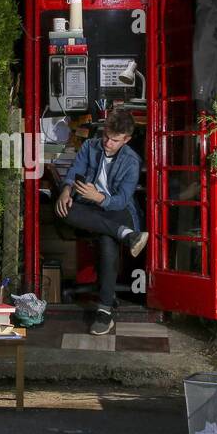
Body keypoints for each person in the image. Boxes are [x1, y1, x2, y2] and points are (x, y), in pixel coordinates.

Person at [54, 108, 148, 335]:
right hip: (90, 208)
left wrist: (99, 197)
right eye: (106, 135)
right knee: (64, 211)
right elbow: (75, 170)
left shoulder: (132, 161)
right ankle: (126, 235)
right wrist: (66, 190)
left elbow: (122, 200)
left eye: (114, 140)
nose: (107, 142)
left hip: (118, 210)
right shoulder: (90, 146)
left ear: (126, 139)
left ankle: (104, 311)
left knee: (108, 240)